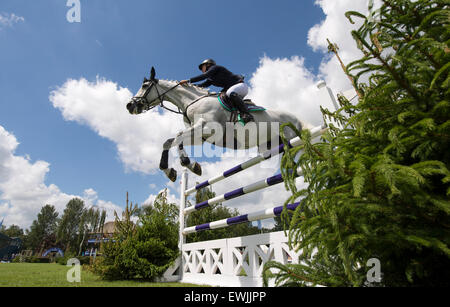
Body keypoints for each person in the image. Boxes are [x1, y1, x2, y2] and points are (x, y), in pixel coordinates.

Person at [180, 59, 254, 123]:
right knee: (220, 97)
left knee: (229, 93)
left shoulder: (215, 68)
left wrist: (188, 80)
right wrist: (189, 87)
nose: (201, 69)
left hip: (240, 86)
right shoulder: (211, 79)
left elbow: (205, 76)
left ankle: (247, 114)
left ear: (208, 65)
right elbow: (203, 85)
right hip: (234, 88)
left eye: (202, 67)